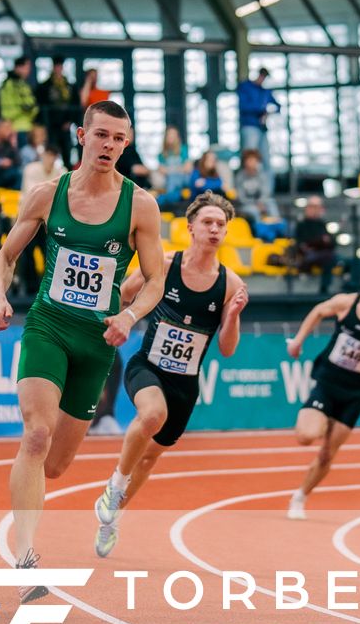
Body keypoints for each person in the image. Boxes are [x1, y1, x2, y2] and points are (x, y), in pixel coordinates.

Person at [0, 101, 166, 599]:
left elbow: (155, 280)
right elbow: (4, 258)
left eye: (119, 139)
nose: (109, 146)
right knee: (36, 435)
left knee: (56, 464)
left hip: (98, 339)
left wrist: (129, 316)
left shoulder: (140, 205)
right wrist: (0, 296)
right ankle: (24, 559)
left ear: (126, 145)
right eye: (101, 135)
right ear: (81, 135)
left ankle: (27, 498)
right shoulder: (48, 195)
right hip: (49, 325)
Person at [93, 195, 249, 556]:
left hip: (185, 384)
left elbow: (226, 349)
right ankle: (115, 485)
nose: (214, 229)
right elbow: (124, 294)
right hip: (147, 365)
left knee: (150, 458)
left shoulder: (229, 284)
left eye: (220, 225)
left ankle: (112, 518)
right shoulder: (163, 266)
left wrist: (234, 315)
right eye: (207, 222)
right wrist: (116, 321)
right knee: (151, 415)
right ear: (190, 227)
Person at [285, 257, 360, 517]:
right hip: (328, 381)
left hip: (355, 393)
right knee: (306, 437)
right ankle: (319, 417)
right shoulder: (347, 302)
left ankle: (300, 496)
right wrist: (298, 340)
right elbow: (319, 311)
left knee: (328, 453)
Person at [288, 195, 337, 291]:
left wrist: (324, 242)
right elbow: (303, 243)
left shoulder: (322, 224)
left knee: (354, 261)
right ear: (307, 208)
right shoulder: (301, 224)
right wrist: (321, 241)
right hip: (309, 256)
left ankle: (352, 286)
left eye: (318, 207)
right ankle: (324, 289)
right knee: (329, 256)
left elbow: (332, 243)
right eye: (313, 207)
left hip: (324, 254)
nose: (316, 210)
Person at [237, 67, 280, 169]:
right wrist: (261, 110)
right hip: (249, 126)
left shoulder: (265, 92)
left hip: (262, 128)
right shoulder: (246, 87)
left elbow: (277, 106)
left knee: (266, 160)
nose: (262, 79)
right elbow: (243, 107)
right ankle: (245, 184)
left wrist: (268, 112)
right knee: (249, 157)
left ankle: (267, 185)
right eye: (262, 76)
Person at [232, 148, 281, 237]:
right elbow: (241, 197)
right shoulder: (240, 177)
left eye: (255, 160)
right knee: (253, 211)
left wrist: (261, 202)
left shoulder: (262, 175)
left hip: (261, 202)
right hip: (246, 205)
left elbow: (266, 192)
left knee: (271, 204)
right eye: (250, 160)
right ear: (245, 162)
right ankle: (261, 233)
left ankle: (278, 230)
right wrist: (255, 204)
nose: (252, 162)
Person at [37, 61, 79, 163]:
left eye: (60, 67)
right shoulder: (45, 86)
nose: (58, 69)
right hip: (51, 125)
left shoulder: (69, 86)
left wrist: (70, 121)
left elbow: (75, 104)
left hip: (65, 125)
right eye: (56, 67)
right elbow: (42, 103)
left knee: (66, 153)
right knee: (51, 151)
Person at [152, 126, 190, 209]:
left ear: (177, 137)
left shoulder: (183, 149)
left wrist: (170, 170)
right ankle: (173, 201)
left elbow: (187, 168)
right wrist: (178, 169)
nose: (171, 137)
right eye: (169, 135)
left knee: (173, 178)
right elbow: (162, 170)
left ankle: (161, 201)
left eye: (173, 135)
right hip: (170, 179)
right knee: (172, 179)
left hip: (182, 178)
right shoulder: (162, 154)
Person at [0, 56, 39, 132]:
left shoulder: (25, 85)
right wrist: (24, 110)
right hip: (15, 129)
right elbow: (7, 111)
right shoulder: (9, 84)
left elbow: (34, 107)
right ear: (18, 67)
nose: (29, 70)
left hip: (28, 127)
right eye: (26, 67)